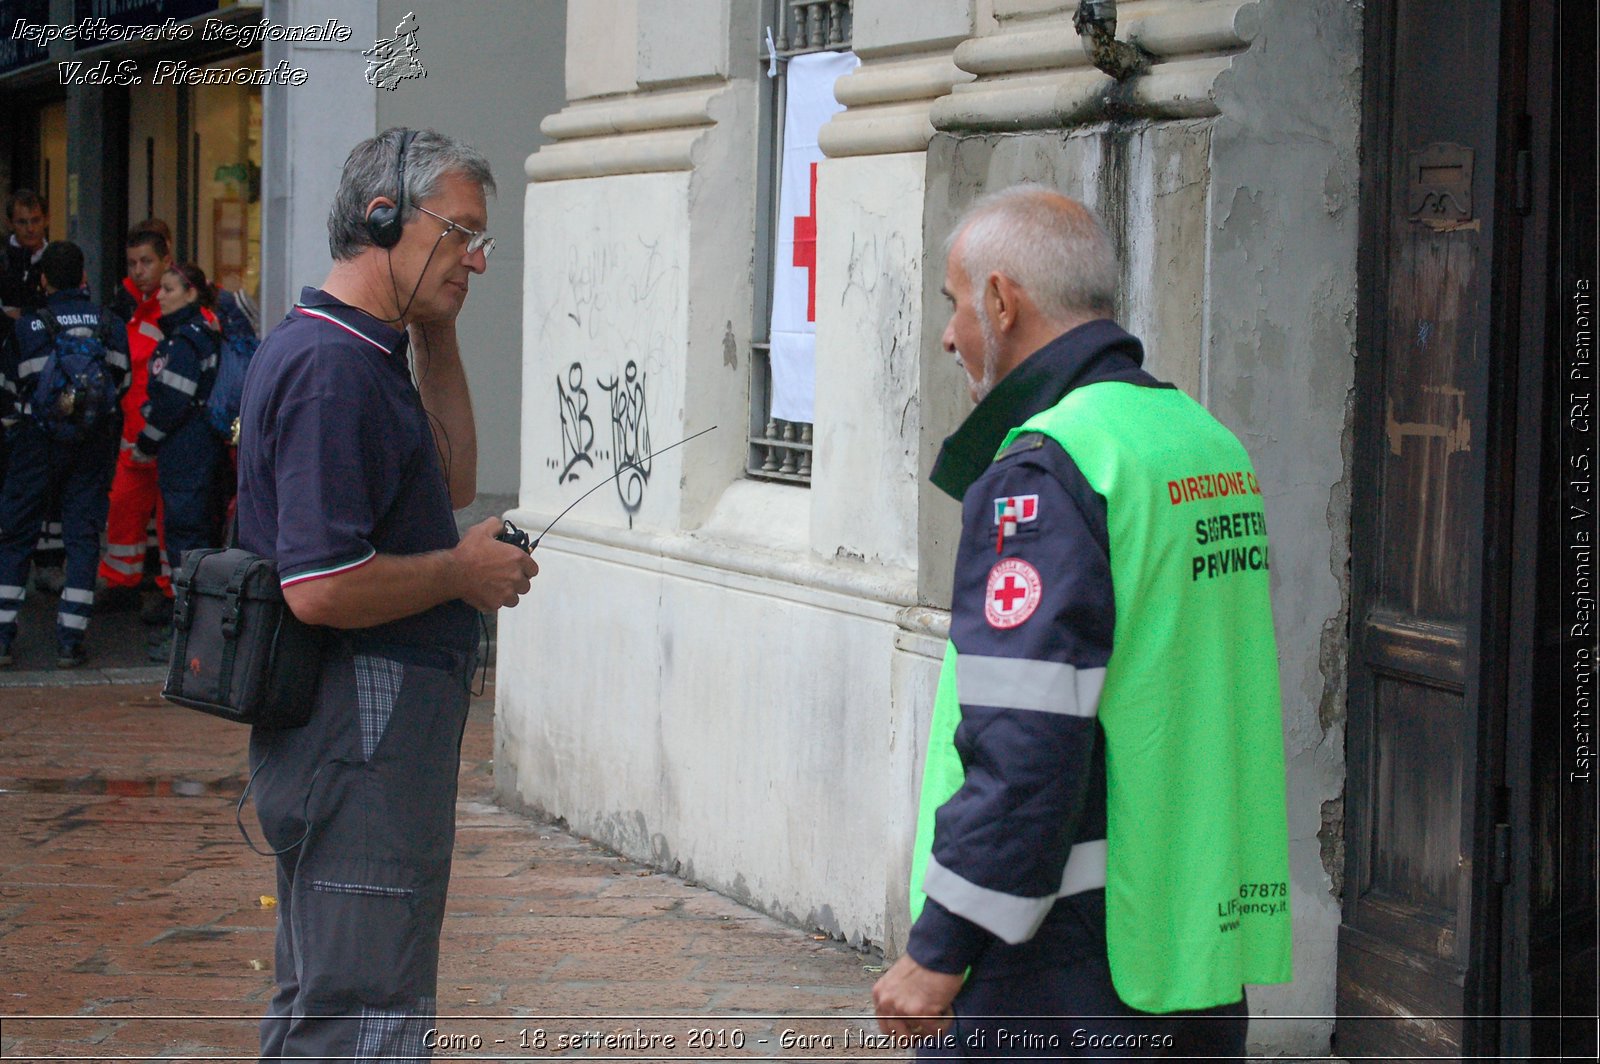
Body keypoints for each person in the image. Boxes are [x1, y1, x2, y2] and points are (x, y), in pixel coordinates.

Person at [871, 185, 1292, 1061]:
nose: (949, 335)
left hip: (1061, 967)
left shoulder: (1047, 471)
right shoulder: (1200, 443)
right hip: (1189, 948)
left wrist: (939, 949)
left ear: (1000, 299)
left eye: (954, 304)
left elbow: (1026, 739)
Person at [237, 127, 538, 1060]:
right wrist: (462, 572)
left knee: (350, 990)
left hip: (366, 728)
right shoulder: (330, 370)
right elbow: (321, 587)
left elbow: (450, 482)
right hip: (354, 728)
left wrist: (437, 334)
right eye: (462, 233)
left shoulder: (368, 353)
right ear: (383, 219)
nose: (478, 261)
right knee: (363, 1004)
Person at [0, 241, 129, 668]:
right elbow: (120, 384)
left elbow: (9, 389)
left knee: (17, 535)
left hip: (36, 444)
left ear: (43, 280)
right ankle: (70, 641)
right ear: (84, 278)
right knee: (81, 538)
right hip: (91, 445)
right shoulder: (109, 324)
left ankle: (2, 638)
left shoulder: (30, 328)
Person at [135, 262, 224, 661]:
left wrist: (146, 441)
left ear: (191, 294)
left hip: (187, 454)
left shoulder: (185, 341)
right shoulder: (202, 335)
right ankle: (195, 634)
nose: (161, 295)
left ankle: (189, 639)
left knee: (186, 545)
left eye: (170, 289)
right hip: (198, 451)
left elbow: (172, 401)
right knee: (195, 541)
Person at [99, 223, 175, 620]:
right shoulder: (125, 306)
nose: (139, 270)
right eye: (132, 263)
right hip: (133, 431)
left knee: (168, 516)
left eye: (147, 262)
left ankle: (168, 591)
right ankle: (120, 583)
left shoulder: (176, 305)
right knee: (124, 510)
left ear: (166, 261)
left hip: (165, 431)